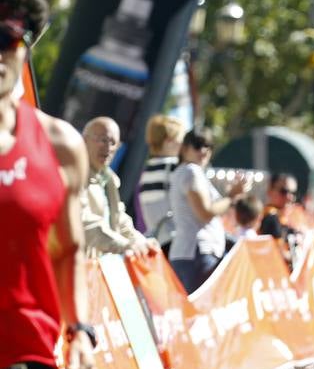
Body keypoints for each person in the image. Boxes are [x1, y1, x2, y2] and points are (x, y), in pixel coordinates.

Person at [0, 0, 95, 369]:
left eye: (4, 38)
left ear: (25, 43)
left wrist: (79, 331)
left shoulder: (60, 146)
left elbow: (70, 251)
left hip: (19, 354)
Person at [169, 128, 249, 293]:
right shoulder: (191, 171)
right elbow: (205, 212)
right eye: (198, 145)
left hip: (190, 253)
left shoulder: (184, 172)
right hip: (196, 252)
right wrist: (231, 196)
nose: (204, 151)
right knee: (200, 313)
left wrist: (229, 197)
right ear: (184, 148)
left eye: (209, 146)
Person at [80, 116, 156, 258]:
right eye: (103, 140)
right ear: (84, 140)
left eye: (113, 143)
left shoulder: (109, 179)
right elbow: (83, 221)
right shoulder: (75, 173)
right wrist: (124, 245)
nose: (108, 147)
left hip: (97, 268)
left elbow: (119, 219)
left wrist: (141, 242)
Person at [135, 113, 185, 241]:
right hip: (176, 237)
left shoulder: (146, 171)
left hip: (157, 239)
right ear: (169, 141)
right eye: (181, 141)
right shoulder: (175, 167)